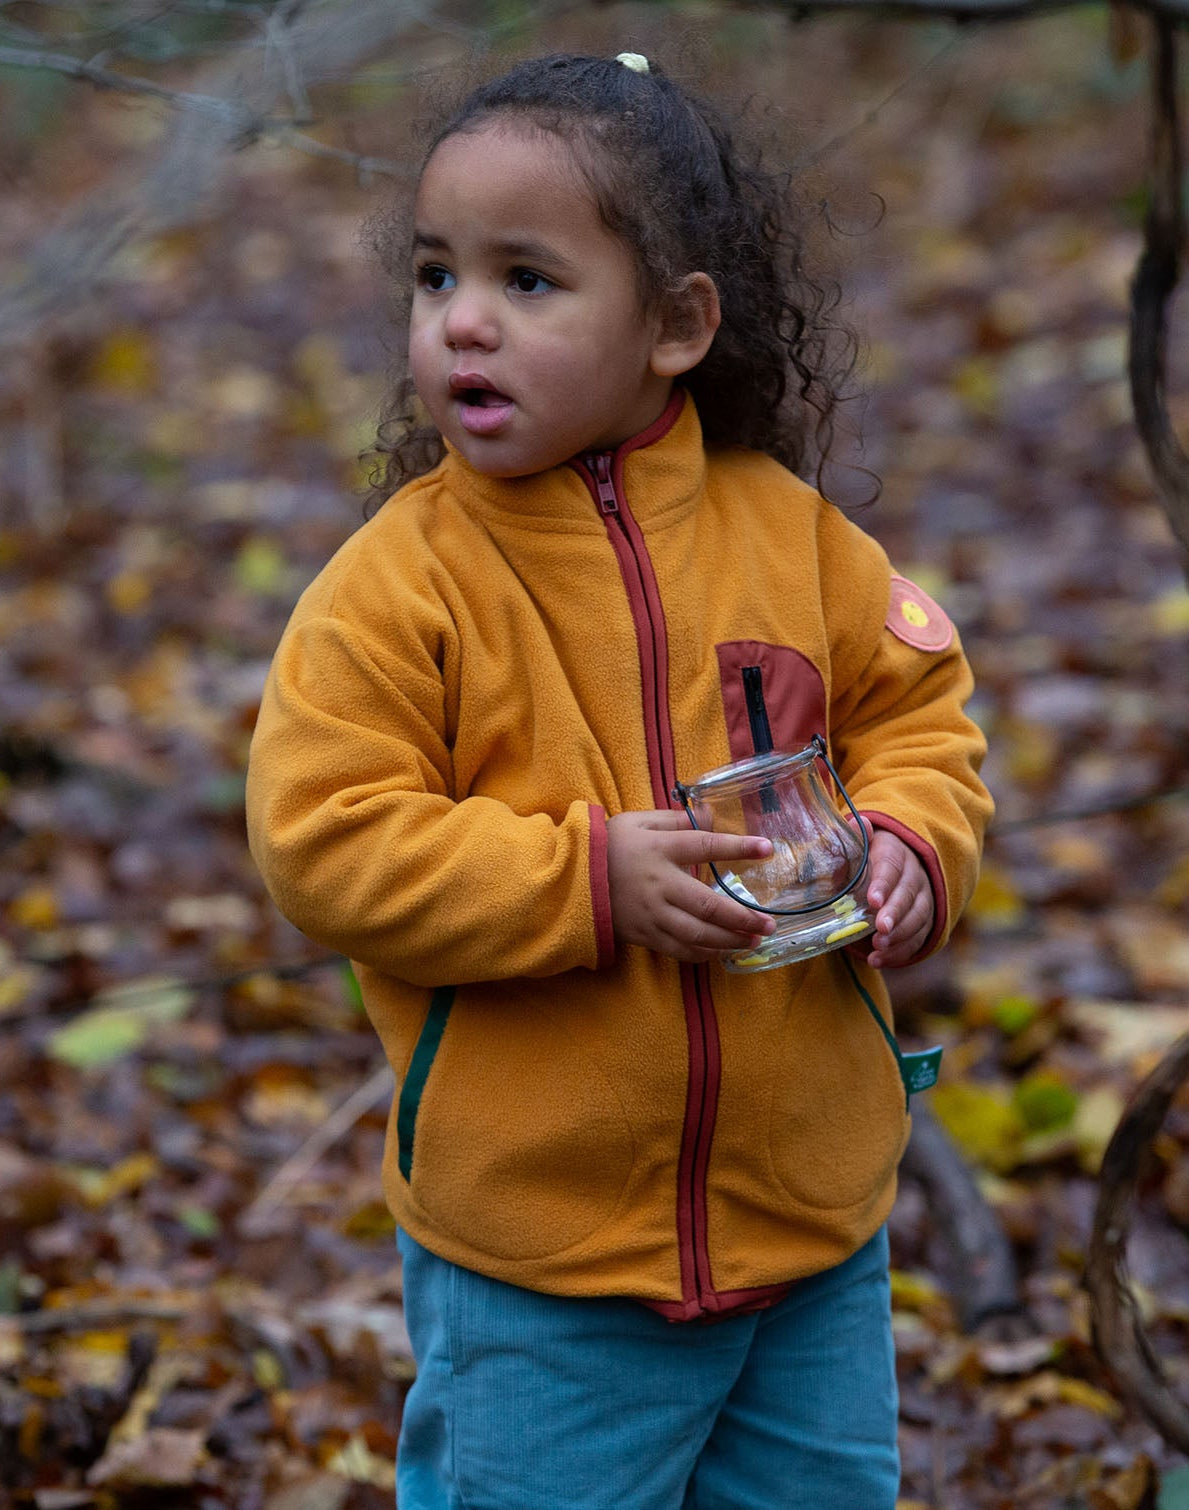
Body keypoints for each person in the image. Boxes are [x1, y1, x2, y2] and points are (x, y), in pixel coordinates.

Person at [246, 50, 993, 1510]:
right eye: (433, 275)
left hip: (810, 1234)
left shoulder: (789, 536)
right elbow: (321, 839)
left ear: (674, 326)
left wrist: (912, 834)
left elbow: (917, 709)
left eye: (527, 281)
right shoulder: (398, 588)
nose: (462, 318)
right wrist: (587, 877)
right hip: (544, 1265)